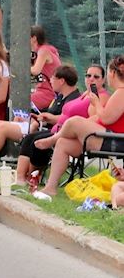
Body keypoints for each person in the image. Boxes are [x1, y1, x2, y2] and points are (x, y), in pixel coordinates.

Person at [35, 55, 124, 198]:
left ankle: (52, 139)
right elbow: (100, 117)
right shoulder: (118, 93)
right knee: (63, 143)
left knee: (75, 120)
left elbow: (107, 118)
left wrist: (96, 104)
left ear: (113, 73)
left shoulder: (121, 92)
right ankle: (50, 187)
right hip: (105, 137)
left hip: (114, 140)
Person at [28, 26, 62, 111]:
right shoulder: (46, 50)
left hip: (49, 93)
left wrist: (19, 67)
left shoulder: (43, 51)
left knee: (20, 102)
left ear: (34, 38)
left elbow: (35, 71)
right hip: (44, 90)